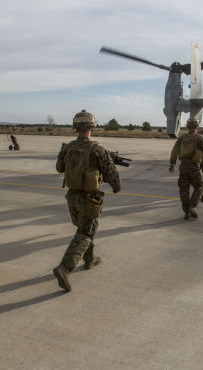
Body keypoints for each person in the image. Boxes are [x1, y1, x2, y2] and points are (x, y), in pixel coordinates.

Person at [53, 110, 121, 291]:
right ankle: (65, 268)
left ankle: (89, 260)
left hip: (72, 197)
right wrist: (116, 186)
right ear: (92, 126)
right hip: (89, 198)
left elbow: (59, 168)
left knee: (84, 228)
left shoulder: (67, 148)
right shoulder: (97, 149)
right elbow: (110, 172)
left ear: (75, 127)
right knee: (86, 232)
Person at [169, 117, 203, 219]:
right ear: (197, 127)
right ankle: (192, 206)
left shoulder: (182, 138)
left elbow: (174, 151)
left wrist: (172, 164)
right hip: (194, 166)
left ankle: (186, 210)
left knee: (184, 188)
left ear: (187, 126)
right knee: (199, 186)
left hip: (183, 166)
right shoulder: (200, 138)